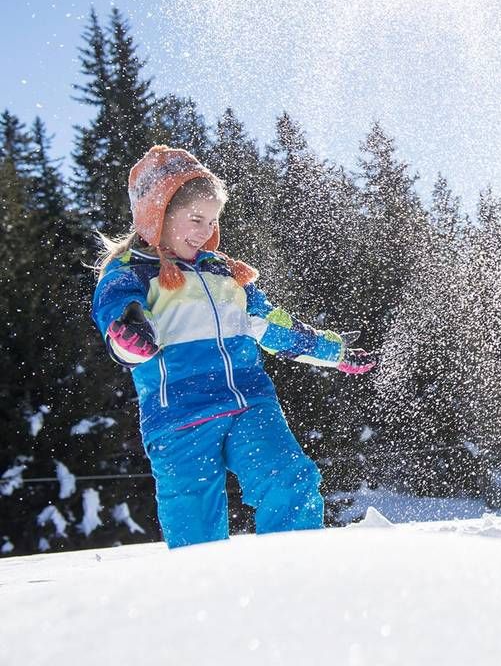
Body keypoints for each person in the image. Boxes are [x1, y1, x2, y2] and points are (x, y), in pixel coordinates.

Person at [91, 145, 376, 548]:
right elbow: (117, 319)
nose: (206, 231)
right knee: (194, 522)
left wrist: (336, 352)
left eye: (212, 221)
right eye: (195, 219)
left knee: (290, 478)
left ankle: (297, 574)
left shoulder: (225, 274)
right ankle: (206, 600)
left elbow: (275, 327)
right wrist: (129, 328)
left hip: (249, 403)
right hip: (181, 418)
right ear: (158, 214)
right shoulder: (131, 274)